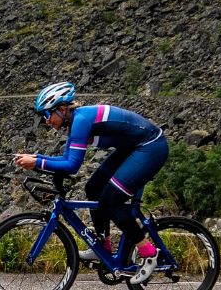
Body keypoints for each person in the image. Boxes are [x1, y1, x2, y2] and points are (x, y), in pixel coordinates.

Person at [13, 81, 168, 277]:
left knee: (111, 201)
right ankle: (103, 246)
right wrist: (36, 158)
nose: (46, 120)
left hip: (150, 147)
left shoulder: (80, 121)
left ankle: (148, 252)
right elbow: (66, 158)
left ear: (62, 109)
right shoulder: (75, 122)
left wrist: (37, 162)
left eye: (47, 114)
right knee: (93, 188)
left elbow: (72, 166)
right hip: (132, 148)